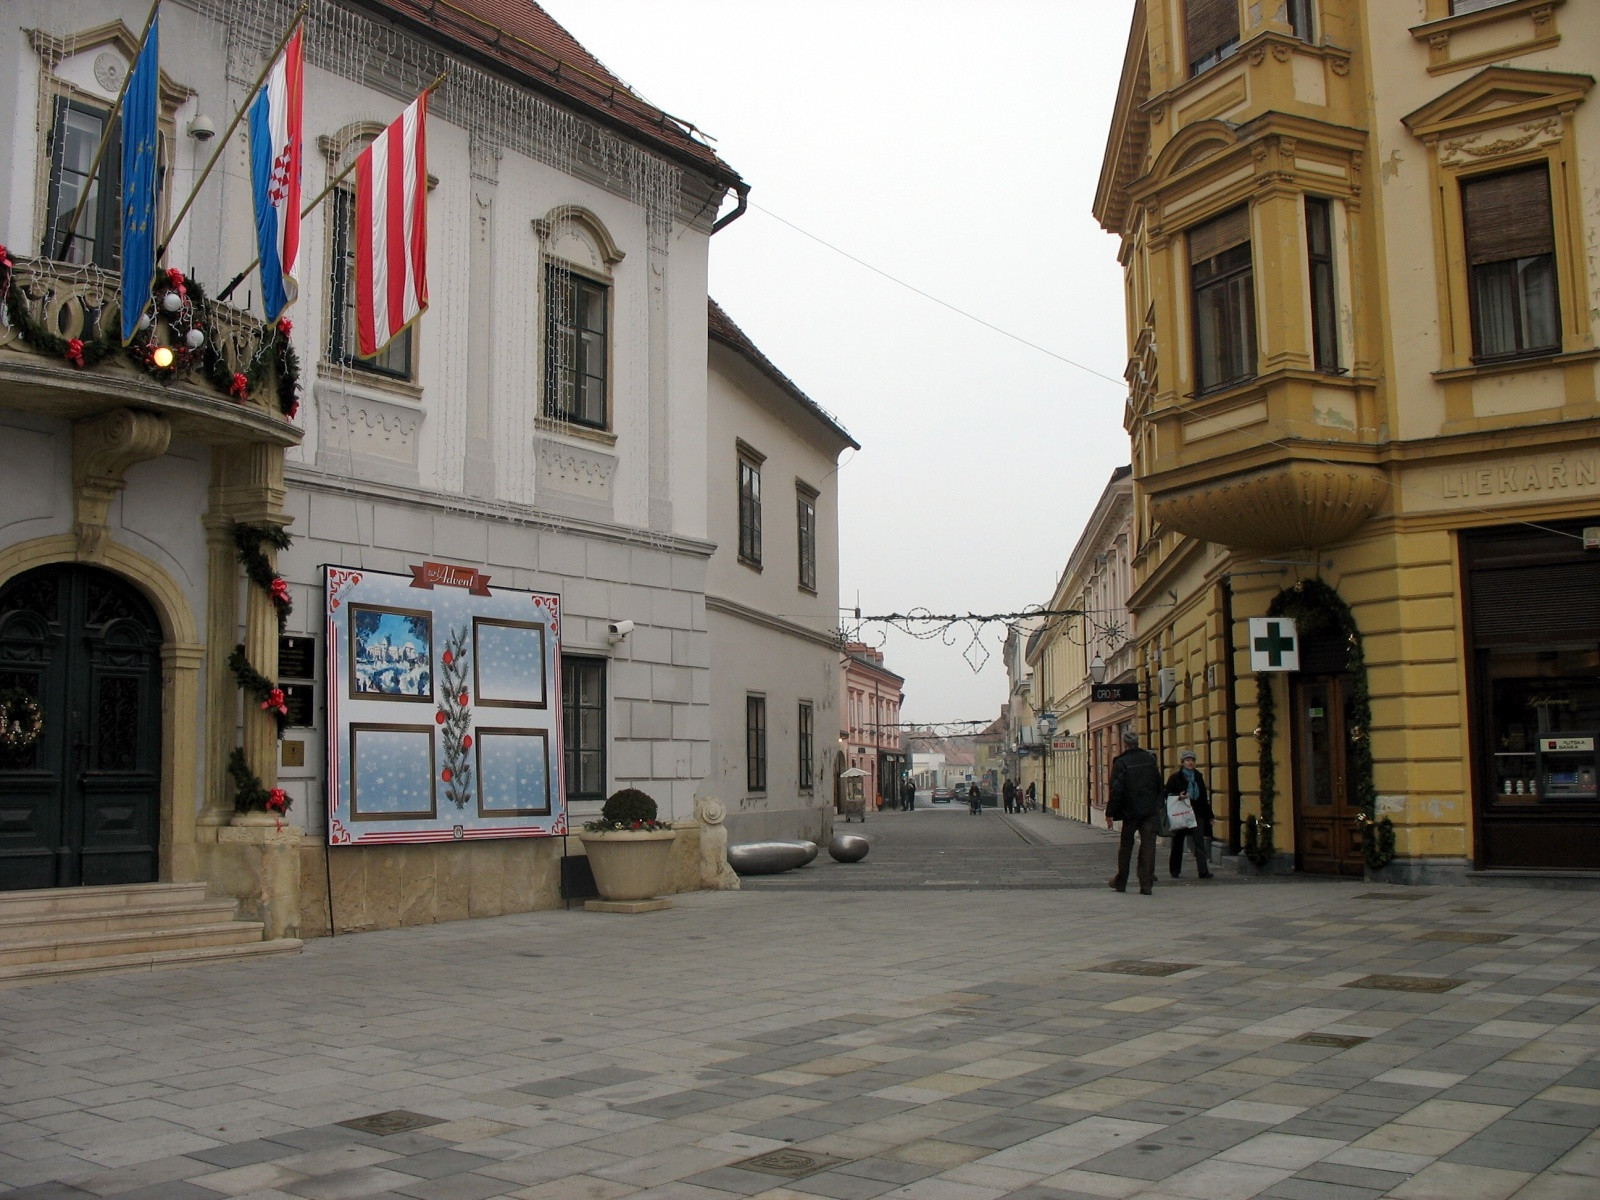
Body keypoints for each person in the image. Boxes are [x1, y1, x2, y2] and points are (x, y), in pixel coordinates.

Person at [1107, 728, 1163, 895]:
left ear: (1125, 744)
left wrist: (1110, 812)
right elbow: (1159, 784)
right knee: (1148, 846)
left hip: (1129, 811)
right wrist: (1157, 805)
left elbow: (1116, 790)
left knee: (1126, 846)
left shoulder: (1121, 763)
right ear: (1137, 742)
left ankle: (1121, 882)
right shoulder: (1150, 759)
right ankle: (1146, 885)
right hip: (1149, 811)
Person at [1166, 749, 1214, 879]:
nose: (1190, 762)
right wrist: (1178, 796)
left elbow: (1203, 797)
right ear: (1182, 762)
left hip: (1197, 813)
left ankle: (1203, 871)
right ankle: (1175, 870)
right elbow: (1167, 794)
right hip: (1181, 813)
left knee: (1199, 842)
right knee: (1178, 842)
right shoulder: (1175, 777)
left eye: (1192, 760)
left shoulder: (1198, 777)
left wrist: (1210, 815)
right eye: (1187, 760)